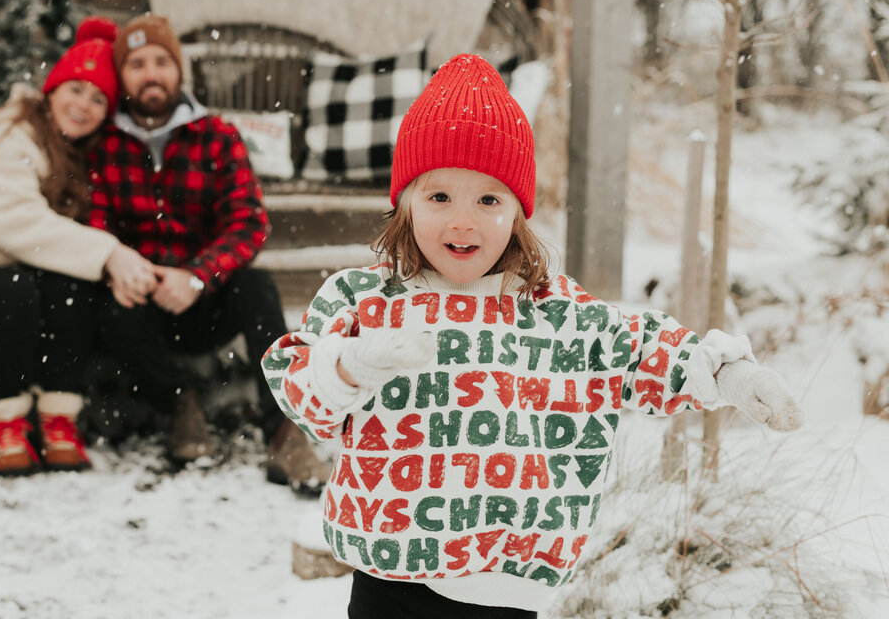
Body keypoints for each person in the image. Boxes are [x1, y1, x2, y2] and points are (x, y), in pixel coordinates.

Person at [261, 54, 803, 618]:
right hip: (389, 579)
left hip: (504, 586)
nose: (462, 220)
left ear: (518, 212)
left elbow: (640, 349)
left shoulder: (554, 314)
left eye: (488, 199)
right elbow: (300, 389)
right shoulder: (364, 301)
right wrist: (348, 366)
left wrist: (727, 373)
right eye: (439, 196)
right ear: (405, 204)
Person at [81, 13, 330, 486]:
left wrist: (198, 275)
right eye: (136, 64)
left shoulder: (216, 135)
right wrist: (125, 266)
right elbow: (93, 223)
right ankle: (180, 404)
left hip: (204, 300)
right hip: (140, 305)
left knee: (257, 288)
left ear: (179, 70)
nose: (151, 73)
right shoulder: (103, 146)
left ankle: (283, 432)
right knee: (108, 307)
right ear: (123, 75)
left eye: (161, 61)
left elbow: (249, 222)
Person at [0, 17, 157, 476]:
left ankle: (59, 417)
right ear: (53, 88)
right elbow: (21, 226)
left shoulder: (77, 157)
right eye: (76, 89)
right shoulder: (4, 133)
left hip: (23, 300)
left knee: (68, 284)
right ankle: (5, 420)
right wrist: (112, 255)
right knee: (14, 286)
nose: (84, 105)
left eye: (99, 98)